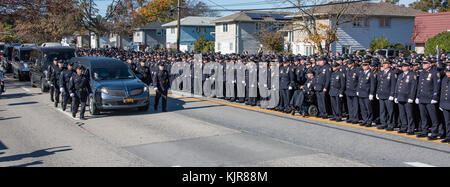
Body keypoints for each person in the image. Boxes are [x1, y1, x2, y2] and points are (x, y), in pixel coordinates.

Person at [415, 59, 441, 140]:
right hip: (422, 97)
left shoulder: (434, 73)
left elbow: (437, 87)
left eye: (425, 63)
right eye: (423, 63)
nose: (423, 64)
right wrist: (417, 96)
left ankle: (434, 133)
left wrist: (435, 97)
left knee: (433, 117)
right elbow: (420, 86)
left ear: (430, 64)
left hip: (430, 98)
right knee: (423, 116)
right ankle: (424, 131)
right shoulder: (422, 72)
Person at [394, 60, 418, 135]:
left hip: (407, 97)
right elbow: (397, 86)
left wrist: (411, 97)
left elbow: (413, 87)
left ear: (409, 67)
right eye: (403, 66)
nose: (403, 67)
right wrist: (396, 96)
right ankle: (404, 127)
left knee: (409, 114)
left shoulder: (412, 75)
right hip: (400, 96)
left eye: (405, 66)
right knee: (402, 114)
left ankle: (411, 128)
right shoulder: (401, 75)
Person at [376, 59, 397, 130]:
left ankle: (391, 124)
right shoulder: (382, 73)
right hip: (381, 94)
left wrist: (392, 94)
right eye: (383, 64)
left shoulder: (392, 73)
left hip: (388, 94)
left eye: (386, 63)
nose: (384, 65)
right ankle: (383, 123)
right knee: (382, 110)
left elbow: (393, 85)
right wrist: (377, 92)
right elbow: (379, 83)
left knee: (390, 111)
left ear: (389, 65)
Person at [357, 59, 376, 127]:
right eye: (363, 65)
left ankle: (369, 121)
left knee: (368, 108)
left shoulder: (371, 74)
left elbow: (372, 85)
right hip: (361, 93)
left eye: (365, 65)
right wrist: (358, 90)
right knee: (363, 108)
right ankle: (365, 120)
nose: (363, 66)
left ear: (369, 66)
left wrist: (371, 93)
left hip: (367, 93)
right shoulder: (362, 73)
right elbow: (359, 82)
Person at [439, 65, 450, 143]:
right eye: (447, 72)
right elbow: (442, 92)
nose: (448, 73)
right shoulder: (444, 79)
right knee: (447, 121)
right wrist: (441, 103)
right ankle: (448, 136)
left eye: (449, 72)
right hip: (445, 103)